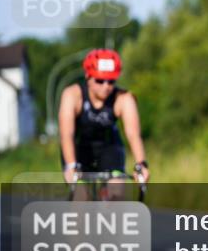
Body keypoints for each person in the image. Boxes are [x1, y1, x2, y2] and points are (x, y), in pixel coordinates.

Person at [59, 49, 150, 195]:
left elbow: (133, 134)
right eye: (100, 80)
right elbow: (66, 134)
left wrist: (141, 165)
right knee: (81, 197)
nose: (106, 86)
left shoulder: (123, 98)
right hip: (78, 149)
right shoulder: (72, 95)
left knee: (116, 190)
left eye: (111, 81)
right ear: (88, 76)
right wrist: (71, 166)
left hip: (109, 148)